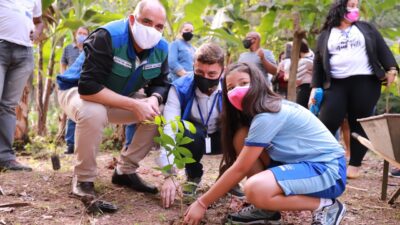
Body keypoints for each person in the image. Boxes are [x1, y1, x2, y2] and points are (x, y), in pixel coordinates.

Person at [183, 62, 347, 225]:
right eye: (231, 87)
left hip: (328, 171)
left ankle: (326, 206)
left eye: (244, 83)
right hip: (302, 165)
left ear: (258, 83)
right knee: (241, 136)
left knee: (255, 188)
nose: (237, 90)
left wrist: (202, 203)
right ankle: (266, 209)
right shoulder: (260, 114)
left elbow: (240, 168)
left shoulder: (269, 115)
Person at [56, 0, 169, 198]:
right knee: (93, 111)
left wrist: (154, 98)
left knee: (156, 112)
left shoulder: (161, 48)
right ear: (133, 19)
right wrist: (134, 104)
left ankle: (125, 171)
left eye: (159, 26)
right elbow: (88, 88)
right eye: (147, 22)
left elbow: (161, 82)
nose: (152, 29)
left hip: (119, 96)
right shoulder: (108, 36)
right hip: (75, 92)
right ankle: (83, 179)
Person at [310, 0, 399, 179]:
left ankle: (355, 165)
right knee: (328, 120)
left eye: (356, 6)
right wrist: (315, 87)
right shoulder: (326, 34)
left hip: (365, 82)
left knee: (359, 122)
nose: (354, 9)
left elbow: (382, 48)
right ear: (339, 8)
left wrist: (391, 68)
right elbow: (318, 62)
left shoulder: (366, 28)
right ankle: (323, 161)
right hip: (335, 84)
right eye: (351, 5)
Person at [158, 43, 224, 208]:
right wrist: (169, 176)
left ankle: (228, 177)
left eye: (212, 73)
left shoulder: (232, 87)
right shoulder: (180, 88)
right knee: (185, 129)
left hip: (223, 136)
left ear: (222, 71)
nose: (205, 77)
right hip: (195, 138)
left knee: (242, 130)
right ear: (193, 66)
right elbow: (170, 129)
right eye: (199, 72)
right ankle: (193, 176)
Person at [0, 0, 44, 171]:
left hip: (24, 54)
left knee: (8, 106)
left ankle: (5, 157)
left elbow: (39, 21)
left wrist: (37, 32)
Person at [60, 26, 90, 154]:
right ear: (75, 34)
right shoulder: (68, 48)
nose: (82, 35)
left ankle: (83, 143)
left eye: (84, 33)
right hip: (71, 83)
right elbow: (62, 64)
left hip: (86, 83)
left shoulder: (90, 49)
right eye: (80, 33)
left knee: (86, 113)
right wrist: (63, 79)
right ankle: (70, 144)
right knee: (71, 115)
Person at [284, 40, 314, 108]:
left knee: (300, 109)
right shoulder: (310, 57)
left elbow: (295, 79)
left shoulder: (305, 61)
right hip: (306, 88)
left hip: (305, 88)